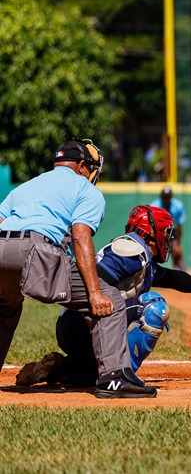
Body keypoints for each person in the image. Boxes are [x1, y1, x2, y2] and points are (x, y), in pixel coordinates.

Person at [15, 205, 191, 388]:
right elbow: (95, 279)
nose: (169, 238)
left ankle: (64, 369)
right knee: (154, 306)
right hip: (81, 322)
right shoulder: (130, 251)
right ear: (152, 234)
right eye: (166, 233)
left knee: (86, 378)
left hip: (77, 324)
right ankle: (120, 377)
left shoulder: (138, 255)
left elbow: (173, 278)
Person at [0, 138, 156, 398]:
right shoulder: (86, 189)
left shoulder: (27, 186)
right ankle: (114, 378)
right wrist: (95, 293)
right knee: (111, 300)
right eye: (91, 167)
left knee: (5, 308)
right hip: (36, 251)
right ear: (82, 165)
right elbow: (81, 236)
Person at [150, 186, 187, 271]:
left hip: (171, 232)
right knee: (152, 252)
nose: (166, 199)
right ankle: (150, 271)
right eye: (164, 197)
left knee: (177, 253)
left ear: (171, 197)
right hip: (157, 232)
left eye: (168, 197)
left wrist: (178, 245)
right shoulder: (155, 206)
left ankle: (182, 275)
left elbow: (180, 226)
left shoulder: (178, 206)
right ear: (161, 197)